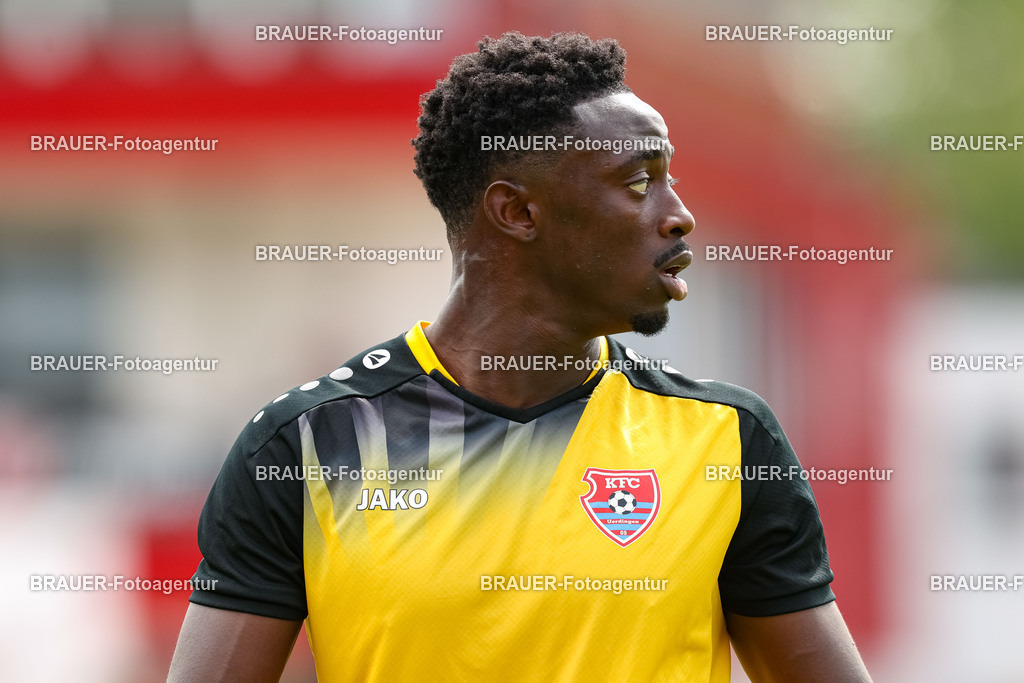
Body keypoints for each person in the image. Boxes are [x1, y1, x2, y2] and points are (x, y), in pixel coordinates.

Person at [168, 31, 872, 682]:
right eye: (638, 182)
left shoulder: (727, 439)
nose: (677, 212)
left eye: (671, 178)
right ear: (518, 212)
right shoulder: (310, 444)